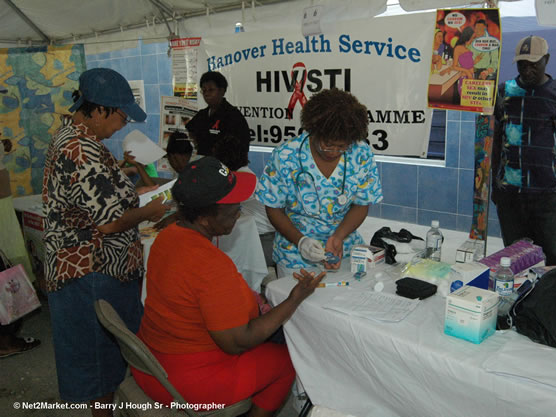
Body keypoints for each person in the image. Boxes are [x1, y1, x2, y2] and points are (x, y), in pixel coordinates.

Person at [133, 156, 325, 417]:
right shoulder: (210, 264)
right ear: (204, 217)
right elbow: (238, 342)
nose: (239, 210)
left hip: (151, 365)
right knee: (288, 359)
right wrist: (294, 299)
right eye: (232, 207)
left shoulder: (167, 237)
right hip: (188, 385)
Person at [43, 68, 168, 416]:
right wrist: (148, 211)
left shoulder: (79, 138)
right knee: (98, 364)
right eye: (120, 116)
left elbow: (96, 196)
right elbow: (110, 223)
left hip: (94, 267)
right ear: (97, 110)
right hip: (90, 270)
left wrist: (134, 193)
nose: (123, 125)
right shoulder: (80, 149)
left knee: (107, 357)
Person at [256, 88, 383, 277]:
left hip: (343, 250)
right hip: (294, 255)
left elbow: (362, 203)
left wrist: (339, 236)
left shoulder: (360, 153)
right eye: (327, 144)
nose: (333, 151)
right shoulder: (285, 155)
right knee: (296, 304)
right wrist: (301, 241)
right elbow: (273, 207)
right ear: (312, 130)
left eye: (342, 146)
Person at [491, 36, 556, 266]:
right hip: (512, 193)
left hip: (551, 194)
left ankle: (555, 300)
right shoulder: (505, 92)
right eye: (522, 64)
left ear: (547, 60)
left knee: (555, 256)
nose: (528, 69)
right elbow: (497, 142)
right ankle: (525, 301)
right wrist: (495, 184)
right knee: (516, 257)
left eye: (534, 63)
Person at [0, 137, 40, 358]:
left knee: (8, 273)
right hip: (1, 216)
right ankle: (5, 341)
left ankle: (6, 338)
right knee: (6, 279)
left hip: (3, 211)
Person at [185, 71, 251, 167]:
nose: (206, 94)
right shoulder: (202, 115)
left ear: (222, 91)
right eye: (204, 90)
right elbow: (190, 130)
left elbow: (241, 149)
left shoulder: (233, 116)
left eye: (211, 90)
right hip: (203, 166)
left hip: (226, 169)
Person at [452, 26, 481, 96]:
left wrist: (475, 61)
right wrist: (467, 71)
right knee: (465, 101)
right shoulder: (458, 48)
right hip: (465, 78)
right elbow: (454, 66)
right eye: (472, 38)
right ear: (467, 37)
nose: (472, 40)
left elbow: (467, 64)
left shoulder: (467, 48)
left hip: (472, 77)